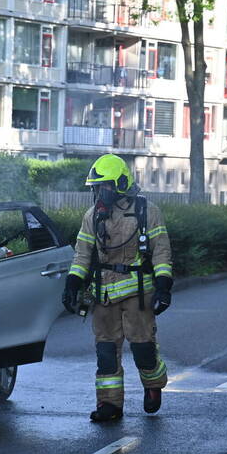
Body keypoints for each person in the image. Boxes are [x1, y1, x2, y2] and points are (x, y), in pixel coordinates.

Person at [62, 154, 173, 423]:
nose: (101, 192)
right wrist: (73, 283)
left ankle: (153, 385)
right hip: (104, 295)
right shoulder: (92, 216)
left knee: (143, 348)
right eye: (97, 187)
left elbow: (161, 252)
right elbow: (82, 254)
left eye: (106, 186)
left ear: (121, 183)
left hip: (138, 294)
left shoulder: (147, 211)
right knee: (106, 352)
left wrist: (163, 286)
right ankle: (109, 404)